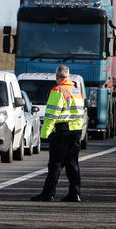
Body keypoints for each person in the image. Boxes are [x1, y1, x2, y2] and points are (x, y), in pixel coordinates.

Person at [31, 65, 85, 202]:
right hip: (76, 132)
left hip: (61, 132)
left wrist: (44, 133)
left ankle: (48, 194)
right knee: (72, 164)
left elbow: (51, 115)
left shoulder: (58, 91)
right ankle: (75, 193)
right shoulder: (75, 91)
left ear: (57, 77)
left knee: (55, 164)